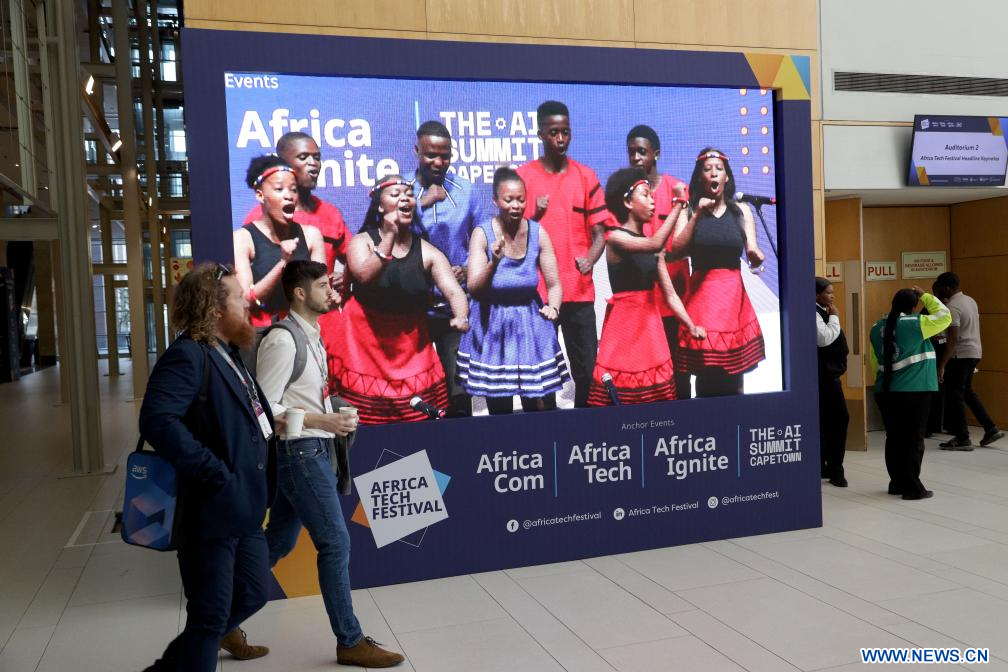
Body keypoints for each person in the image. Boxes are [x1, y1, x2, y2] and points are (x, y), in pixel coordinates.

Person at [247, 260, 404, 667]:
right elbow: (262, 410)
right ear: (299, 293)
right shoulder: (284, 341)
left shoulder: (311, 337)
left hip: (312, 450)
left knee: (279, 542)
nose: (331, 292)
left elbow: (299, 398)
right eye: (322, 286)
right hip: (299, 454)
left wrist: (334, 412)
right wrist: (323, 421)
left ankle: (221, 617)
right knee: (335, 543)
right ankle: (349, 641)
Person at [139, 263, 276, 672]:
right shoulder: (187, 355)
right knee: (209, 616)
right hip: (210, 508)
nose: (247, 303)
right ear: (215, 309)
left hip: (244, 506)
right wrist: (214, 471)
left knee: (254, 592)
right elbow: (157, 420)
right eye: (238, 297)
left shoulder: (228, 352)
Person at [327, 176, 468, 424]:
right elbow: (363, 276)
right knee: (366, 425)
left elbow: (454, 291)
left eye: (409, 194)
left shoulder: (428, 251)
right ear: (380, 207)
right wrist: (389, 237)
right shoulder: (361, 242)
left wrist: (460, 315)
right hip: (364, 346)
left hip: (410, 349)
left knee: (418, 423)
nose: (405, 198)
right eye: (395, 194)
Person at [518, 100, 609, 407]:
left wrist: (591, 258)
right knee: (540, 375)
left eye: (565, 132)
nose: (560, 139)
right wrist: (533, 212)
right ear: (540, 134)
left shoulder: (586, 176)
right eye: (553, 132)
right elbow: (509, 233)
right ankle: (543, 428)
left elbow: (601, 233)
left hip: (578, 291)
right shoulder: (523, 178)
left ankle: (584, 427)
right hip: (538, 294)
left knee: (587, 371)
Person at [457, 167, 569, 414]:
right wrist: (494, 263)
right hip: (492, 323)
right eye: (508, 200)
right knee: (500, 408)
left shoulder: (538, 233)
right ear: (495, 201)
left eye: (521, 199)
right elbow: (474, 287)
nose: (516, 206)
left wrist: (553, 307)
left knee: (538, 405)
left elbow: (554, 284)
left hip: (530, 323)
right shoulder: (482, 234)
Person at [587, 167, 702, 405]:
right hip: (625, 330)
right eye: (645, 195)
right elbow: (656, 243)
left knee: (656, 400)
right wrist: (679, 204)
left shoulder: (652, 248)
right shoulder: (615, 238)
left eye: (652, 195)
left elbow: (671, 295)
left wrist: (690, 325)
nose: (652, 201)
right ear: (627, 202)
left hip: (651, 329)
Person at [671, 148, 766, 397]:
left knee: (735, 376)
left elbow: (751, 248)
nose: (713, 173)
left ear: (727, 177)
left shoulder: (741, 210)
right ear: (699, 177)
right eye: (707, 169)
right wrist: (698, 215)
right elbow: (676, 250)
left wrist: (755, 255)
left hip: (733, 298)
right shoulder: (689, 210)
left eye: (719, 169)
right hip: (703, 300)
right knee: (706, 375)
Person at [408, 120, 481, 417]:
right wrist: (422, 204)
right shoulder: (400, 190)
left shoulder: (466, 190)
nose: (438, 162)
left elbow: (483, 239)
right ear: (416, 151)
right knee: (418, 394)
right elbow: (385, 235)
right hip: (414, 310)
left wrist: (467, 266)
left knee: (459, 391)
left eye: (445, 155)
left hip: (455, 307)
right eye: (430, 155)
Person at [627, 125, 693, 397]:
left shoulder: (677, 190)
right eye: (631, 152)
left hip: (675, 298)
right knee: (648, 377)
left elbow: (683, 245)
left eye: (642, 152)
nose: (635, 158)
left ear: (656, 153)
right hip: (643, 301)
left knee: (680, 375)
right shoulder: (627, 196)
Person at [869, 286, 951, 500]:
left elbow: (874, 361)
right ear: (914, 306)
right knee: (913, 440)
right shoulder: (916, 323)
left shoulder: (876, 327)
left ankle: (897, 483)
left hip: (885, 391)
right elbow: (945, 316)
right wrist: (925, 295)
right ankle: (913, 488)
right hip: (915, 390)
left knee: (894, 438)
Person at [233, 155, 326, 326]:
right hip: (262, 333)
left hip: (304, 330)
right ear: (260, 195)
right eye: (279, 189)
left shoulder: (312, 235)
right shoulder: (243, 238)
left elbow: (321, 293)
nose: (289, 196)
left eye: (293, 189)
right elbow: (247, 300)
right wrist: (283, 262)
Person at [243, 132, 351, 278]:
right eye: (303, 157)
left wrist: (345, 276)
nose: (313, 163)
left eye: (317, 157)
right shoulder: (259, 217)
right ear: (283, 163)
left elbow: (353, 258)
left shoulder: (330, 213)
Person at [933, 272, 1004, 450]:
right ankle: (991, 429)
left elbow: (954, 339)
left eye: (939, 286)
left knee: (955, 395)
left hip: (960, 355)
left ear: (947, 288)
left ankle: (962, 437)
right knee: (967, 392)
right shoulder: (970, 300)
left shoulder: (952, 307)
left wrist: (942, 364)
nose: (938, 290)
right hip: (974, 352)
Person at [815, 277, 850, 487]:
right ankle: (836, 469)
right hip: (825, 379)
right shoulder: (815, 313)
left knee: (828, 422)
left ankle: (827, 465)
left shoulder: (823, 311)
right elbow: (824, 338)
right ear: (816, 294)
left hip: (829, 376)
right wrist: (835, 317)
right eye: (828, 293)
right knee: (839, 420)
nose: (832, 296)